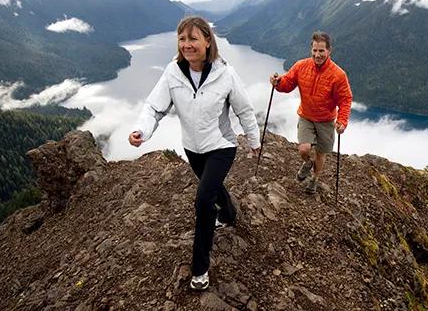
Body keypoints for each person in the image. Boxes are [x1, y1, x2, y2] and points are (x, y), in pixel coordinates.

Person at [128, 16, 260, 291]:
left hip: (222, 145)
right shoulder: (173, 72)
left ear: (207, 41)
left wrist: (254, 140)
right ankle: (230, 213)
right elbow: (155, 107)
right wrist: (142, 130)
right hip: (193, 148)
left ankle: (200, 268)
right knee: (211, 187)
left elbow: (244, 110)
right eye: (182, 39)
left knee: (203, 200)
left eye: (193, 39)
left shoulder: (225, 73)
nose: (187, 45)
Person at [269, 31, 353, 194]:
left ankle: (315, 179)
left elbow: (345, 100)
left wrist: (342, 121)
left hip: (326, 120)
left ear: (329, 51)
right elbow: (288, 83)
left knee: (321, 154)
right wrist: (278, 82)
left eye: (321, 51)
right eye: (314, 50)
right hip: (306, 116)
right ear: (311, 49)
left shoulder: (338, 75)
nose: (317, 54)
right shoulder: (301, 66)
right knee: (304, 149)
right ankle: (307, 162)